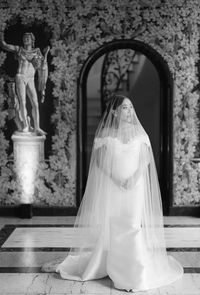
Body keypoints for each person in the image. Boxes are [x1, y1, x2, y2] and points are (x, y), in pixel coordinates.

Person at [42, 95, 183, 292]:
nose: (129, 111)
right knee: (114, 225)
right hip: (112, 185)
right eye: (125, 108)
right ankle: (111, 263)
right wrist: (116, 179)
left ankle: (134, 273)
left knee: (133, 225)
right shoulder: (106, 134)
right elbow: (99, 161)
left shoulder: (140, 133)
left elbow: (145, 159)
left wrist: (133, 178)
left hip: (135, 186)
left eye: (131, 108)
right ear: (115, 111)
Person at [0, 31, 49, 135]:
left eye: (28, 38)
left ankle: (37, 127)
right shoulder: (19, 50)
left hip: (30, 78)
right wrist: (1, 33)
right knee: (23, 102)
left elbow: (41, 67)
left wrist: (45, 55)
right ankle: (26, 126)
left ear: (32, 40)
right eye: (24, 38)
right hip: (20, 76)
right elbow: (4, 45)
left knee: (35, 103)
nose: (25, 40)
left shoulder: (37, 52)